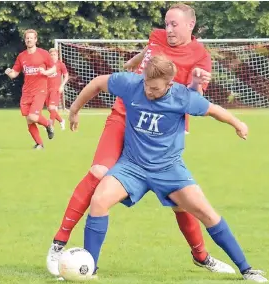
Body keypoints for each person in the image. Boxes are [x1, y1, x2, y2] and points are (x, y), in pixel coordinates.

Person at [47, 3, 233, 276]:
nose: (167, 29)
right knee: (98, 173)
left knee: (181, 201)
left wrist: (194, 82)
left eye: (174, 25)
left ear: (190, 25)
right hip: (124, 115)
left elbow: (195, 95)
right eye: (166, 23)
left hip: (160, 130)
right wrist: (133, 63)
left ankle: (201, 256)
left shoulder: (200, 57)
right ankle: (58, 244)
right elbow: (148, 54)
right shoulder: (157, 37)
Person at [72, 55, 268, 283]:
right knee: (99, 201)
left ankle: (247, 269)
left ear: (169, 84)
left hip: (169, 169)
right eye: (146, 84)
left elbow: (214, 110)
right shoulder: (131, 84)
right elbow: (97, 82)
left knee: (207, 213)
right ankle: (89, 269)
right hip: (132, 166)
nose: (148, 91)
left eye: (154, 88)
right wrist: (75, 109)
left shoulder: (182, 97)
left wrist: (238, 124)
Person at [5, 29, 55, 149]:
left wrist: (45, 72)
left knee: (33, 116)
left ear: (36, 40)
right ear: (25, 40)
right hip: (27, 92)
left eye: (31, 38)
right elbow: (15, 74)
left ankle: (48, 124)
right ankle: (39, 144)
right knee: (29, 120)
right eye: (27, 38)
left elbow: (53, 69)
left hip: (40, 90)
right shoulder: (21, 56)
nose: (29, 40)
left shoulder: (43, 54)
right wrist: (8, 72)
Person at [46, 48, 68, 130]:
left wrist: (62, 85)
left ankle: (50, 126)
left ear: (57, 55)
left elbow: (66, 75)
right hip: (47, 89)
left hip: (56, 89)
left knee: (52, 107)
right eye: (51, 55)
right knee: (49, 109)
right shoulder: (47, 64)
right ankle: (61, 120)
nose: (53, 56)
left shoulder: (60, 64)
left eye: (54, 55)